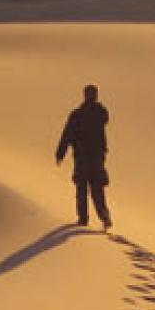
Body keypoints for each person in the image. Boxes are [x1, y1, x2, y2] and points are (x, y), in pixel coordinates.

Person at [55, 84, 112, 230]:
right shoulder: (100, 112)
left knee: (82, 189)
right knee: (96, 189)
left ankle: (83, 219)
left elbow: (67, 134)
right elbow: (105, 118)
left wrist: (60, 153)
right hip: (95, 158)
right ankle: (103, 216)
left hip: (82, 158)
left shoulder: (78, 114)